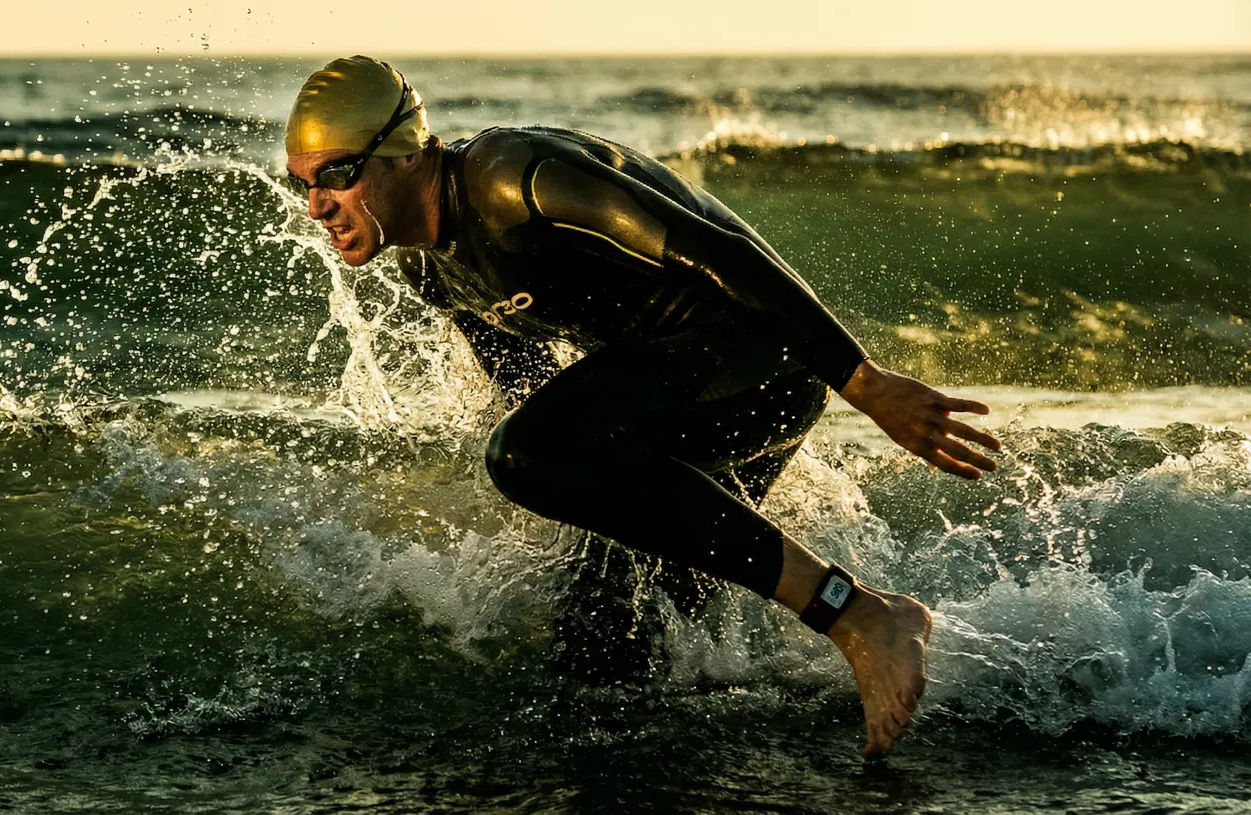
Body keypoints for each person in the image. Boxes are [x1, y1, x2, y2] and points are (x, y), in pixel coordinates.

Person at [281, 56, 1004, 759]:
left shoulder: (514, 180)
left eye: (338, 175)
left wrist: (867, 385)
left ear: (405, 153)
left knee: (524, 456)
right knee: (602, 639)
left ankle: (858, 615)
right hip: (682, 394)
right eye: (304, 185)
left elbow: (717, 252)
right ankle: (749, 736)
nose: (318, 205)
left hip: (756, 362)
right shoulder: (427, 267)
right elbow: (539, 403)